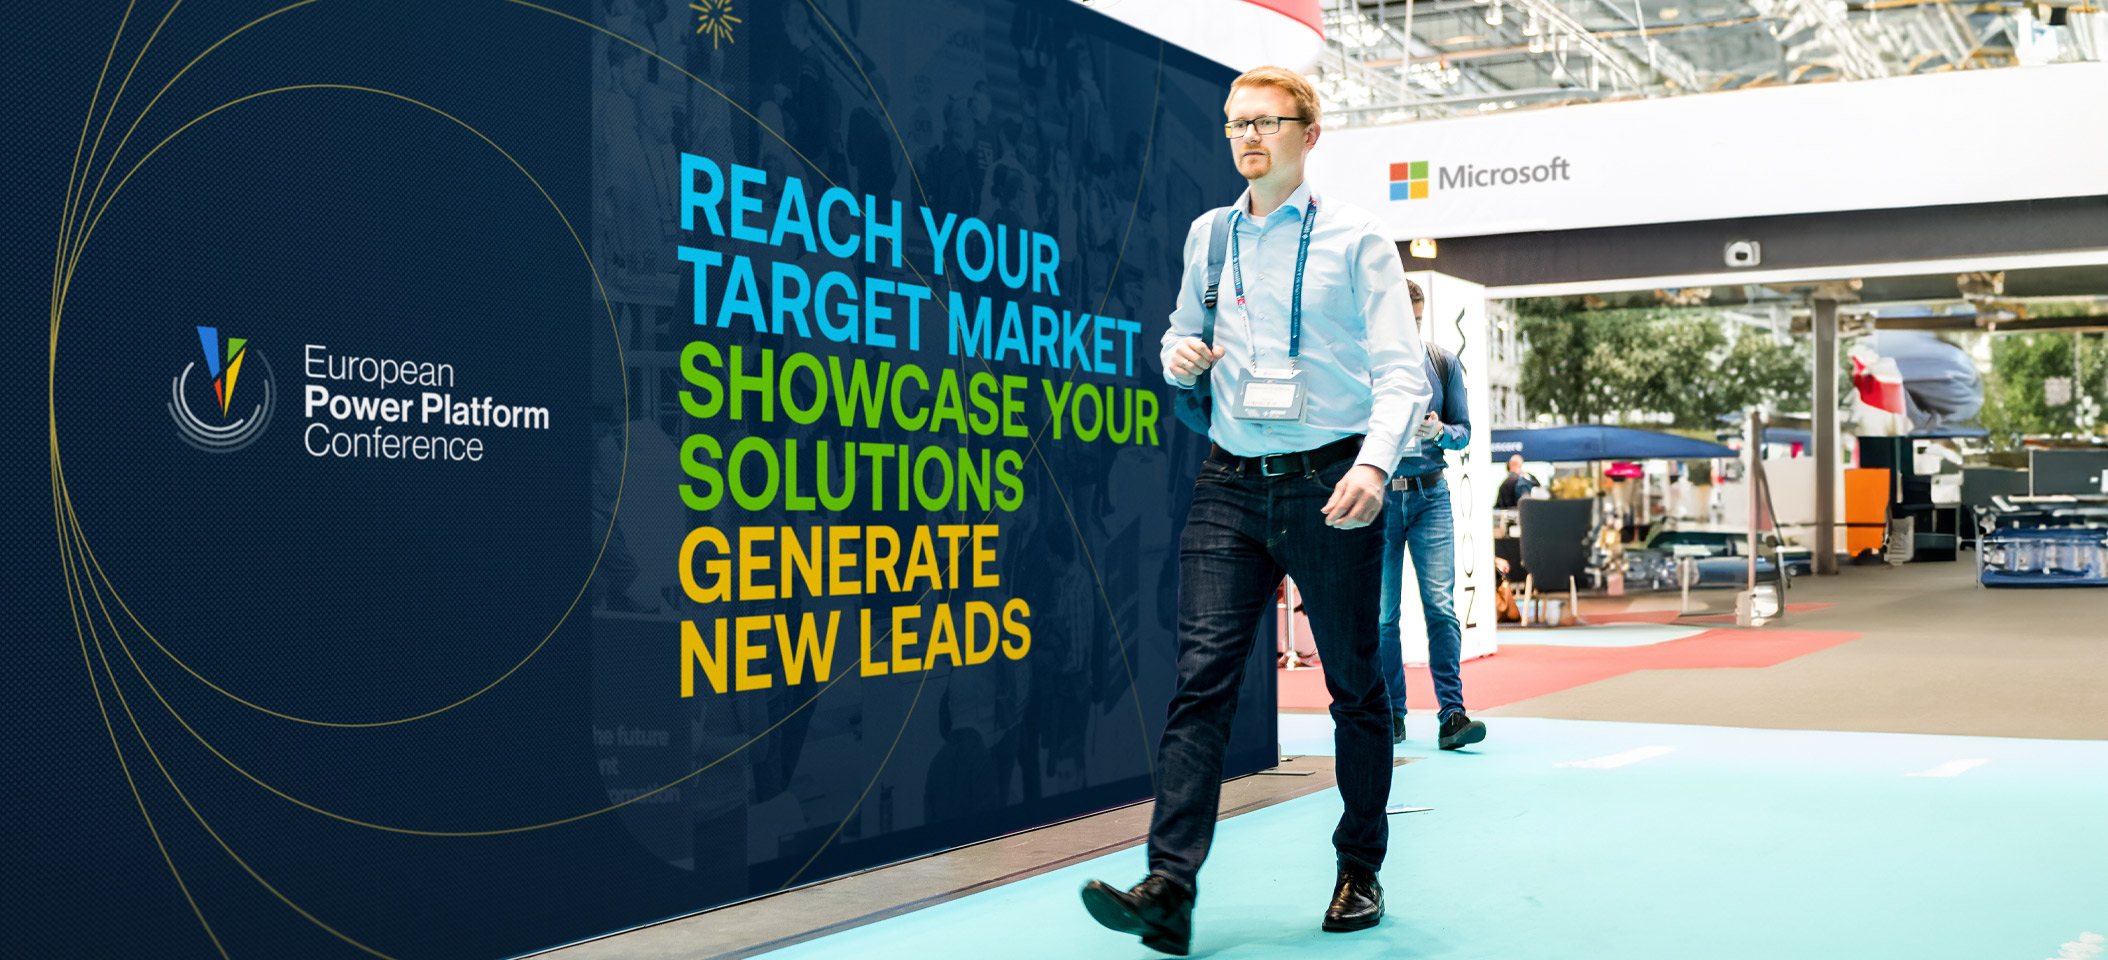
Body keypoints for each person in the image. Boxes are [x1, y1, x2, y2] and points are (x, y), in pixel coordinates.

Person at [1079, 65, 1431, 955]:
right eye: (1238, 122)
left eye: (1268, 122)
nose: (1248, 137)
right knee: (1200, 682)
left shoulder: (1358, 239)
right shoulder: (1210, 235)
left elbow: (1403, 374)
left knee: (1355, 688)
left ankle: (1359, 868)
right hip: (1230, 481)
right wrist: (1178, 355)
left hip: (1332, 480)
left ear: (1309, 135)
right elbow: (1178, 332)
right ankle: (1169, 887)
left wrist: (1376, 466)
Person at [1379, 280, 1483, 751]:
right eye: (1406, 318)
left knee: (1441, 607)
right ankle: (1391, 714)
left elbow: (1465, 432)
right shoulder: (1364, 363)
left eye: (1418, 319)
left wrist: (1440, 430)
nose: (1412, 327)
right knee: (1383, 615)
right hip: (1380, 497)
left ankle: (1452, 715)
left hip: (1431, 494)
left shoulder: (1442, 362)